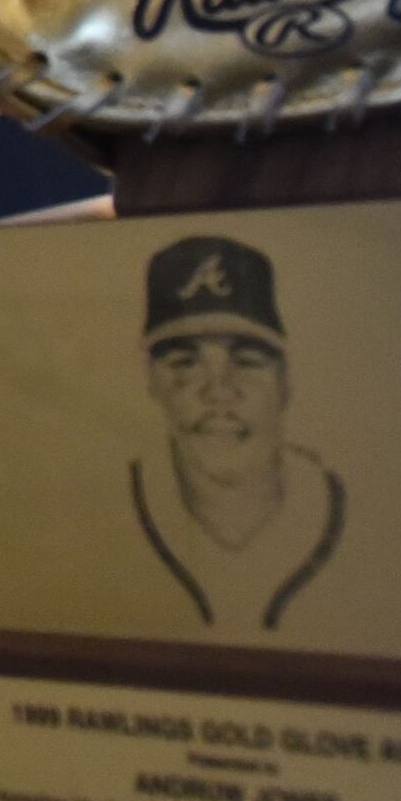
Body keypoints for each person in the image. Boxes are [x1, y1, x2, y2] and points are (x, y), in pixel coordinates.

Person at [129, 234, 344, 631]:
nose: (219, 392)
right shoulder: (106, 511)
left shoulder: (350, 511)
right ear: (153, 380)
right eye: (185, 363)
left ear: (285, 380)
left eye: (246, 360)